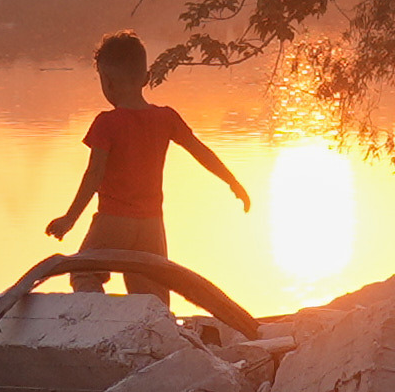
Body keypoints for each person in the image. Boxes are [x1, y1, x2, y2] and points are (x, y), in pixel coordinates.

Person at [38, 34, 260, 330]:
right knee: (153, 296)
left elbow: (94, 174)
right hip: (151, 226)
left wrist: (69, 218)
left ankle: (100, 323)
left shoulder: (107, 122)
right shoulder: (165, 118)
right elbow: (201, 152)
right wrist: (233, 183)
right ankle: (160, 338)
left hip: (113, 222)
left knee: (84, 273)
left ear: (106, 82)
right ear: (146, 76)